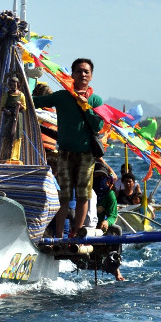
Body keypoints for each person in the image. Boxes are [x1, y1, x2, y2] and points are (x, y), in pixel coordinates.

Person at [33, 58, 104, 238]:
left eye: (86, 72)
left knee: (82, 196)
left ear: (91, 76)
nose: (82, 74)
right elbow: (36, 102)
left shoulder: (95, 100)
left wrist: (86, 107)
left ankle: (76, 234)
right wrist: (18, 95)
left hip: (86, 154)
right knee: (62, 196)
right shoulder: (62, 96)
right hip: (64, 153)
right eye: (79, 71)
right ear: (72, 75)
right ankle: (58, 235)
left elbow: (98, 126)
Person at [0, 75, 27, 163]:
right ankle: (6, 155)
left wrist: (20, 105)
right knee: (7, 135)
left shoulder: (21, 95)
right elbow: (2, 106)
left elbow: (25, 107)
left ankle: (15, 156)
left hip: (18, 116)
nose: (13, 86)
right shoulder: (6, 95)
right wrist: (6, 111)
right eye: (11, 85)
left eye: (14, 85)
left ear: (17, 85)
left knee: (17, 136)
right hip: (8, 116)